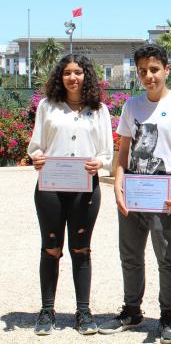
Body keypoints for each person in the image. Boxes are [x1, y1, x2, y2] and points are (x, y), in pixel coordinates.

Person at [98, 44, 171, 344]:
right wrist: (117, 185)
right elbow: (123, 150)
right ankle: (131, 309)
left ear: (166, 69)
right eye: (143, 71)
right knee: (130, 253)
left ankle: (168, 315)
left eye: (154, 69)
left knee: (167, 255)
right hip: (134, 187)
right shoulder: (131, 106)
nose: (149, 76)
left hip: (167, 189)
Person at [28, 54, 113, 335]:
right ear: (60, 77)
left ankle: (83, 312)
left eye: (78, 72)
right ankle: (46, 310)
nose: (73, 77)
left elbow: (106, 152)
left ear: (86, 76)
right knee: (51, 248)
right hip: (50, 187)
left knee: (81, 249)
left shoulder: (98, 109)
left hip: (85, 186)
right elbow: (36, 146)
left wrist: (99, 163)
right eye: (67, 73)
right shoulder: (47, 107)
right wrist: (37, 157)